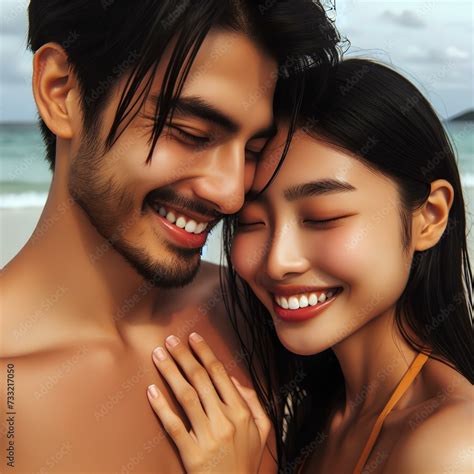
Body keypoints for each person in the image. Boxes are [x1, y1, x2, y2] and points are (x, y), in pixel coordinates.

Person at [0, 1, 340, 472]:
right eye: (191, 133)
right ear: (62, 91)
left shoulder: (266, 312)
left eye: (253, 150)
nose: (231, 193)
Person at [147, 59, 473, 473]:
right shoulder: (322, 409)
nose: (278, 261)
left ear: (429, 216)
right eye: (250, 222)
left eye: (322, 217)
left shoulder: (450, 449)